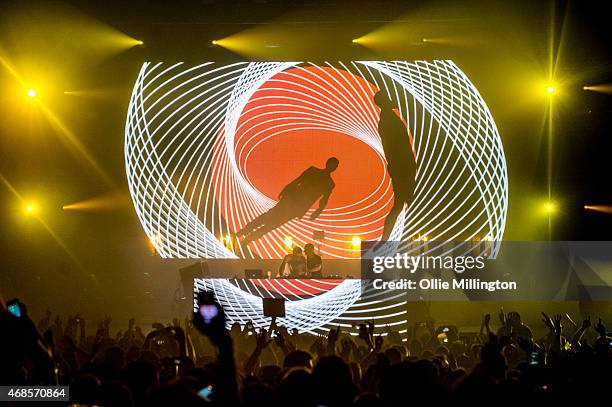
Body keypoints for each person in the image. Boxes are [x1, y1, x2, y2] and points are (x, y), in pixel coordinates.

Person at [237, 157, 340, 244]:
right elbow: (298, 180)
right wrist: (285, 190)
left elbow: (324, 199)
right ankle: (244, 233)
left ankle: (246, 238)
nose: (332, 167)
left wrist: (318, 211)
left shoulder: (328, 183)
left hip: (295, 205)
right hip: (291, 201)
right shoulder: (315, 172)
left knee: (271, 223)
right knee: (269, 218)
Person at [373, 91, 417, 242]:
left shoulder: (388, 118)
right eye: (388, 98)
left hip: (401, 165)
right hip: (402, 166)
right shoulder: (387, 120)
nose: (392, 100)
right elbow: (394, 146)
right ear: (384, 102)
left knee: (400, 204)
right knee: (406, 202)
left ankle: (387, 239)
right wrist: (404, 167)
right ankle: (401, 239)